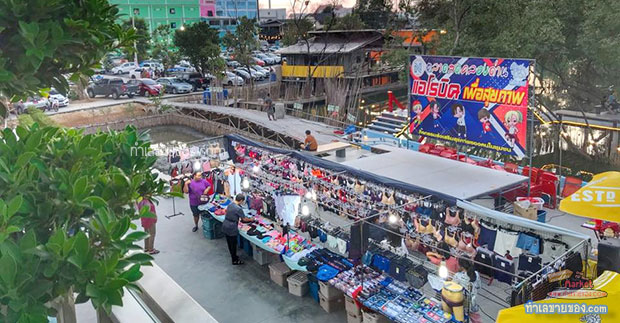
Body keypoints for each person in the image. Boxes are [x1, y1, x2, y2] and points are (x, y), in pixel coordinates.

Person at [222, 193, 253, 265]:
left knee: (229, 243)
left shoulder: (230, 204)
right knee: (233, 244)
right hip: (231, 227)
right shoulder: (238, 209)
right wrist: (251, 219)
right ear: (241, 200)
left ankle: (233, 256)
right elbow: (244, 219)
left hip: (225, 224)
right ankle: (234, 260)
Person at [454, 258, 482, 323]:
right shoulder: (476, 274)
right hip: (473, 301)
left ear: (462, 267)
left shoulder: (458, 276)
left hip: (462, 301)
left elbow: (454, 288)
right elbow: (478, 286)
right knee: (476, 319)